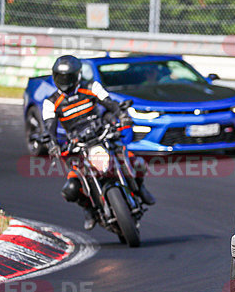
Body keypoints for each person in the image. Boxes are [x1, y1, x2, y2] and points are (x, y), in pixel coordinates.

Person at [42, 55, 155, 230]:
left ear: (78, 75)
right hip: (77, 146)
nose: (65, 81)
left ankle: (140, 188)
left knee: (137, 163)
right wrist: (52, 144)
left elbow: (111, 104)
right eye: (61, 77)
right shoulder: (50, 103)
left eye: (68, 76)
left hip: (101, 134)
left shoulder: (91, 87)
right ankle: (89, 209)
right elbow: (49, 127)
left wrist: (122, 115)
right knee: (71, 189)